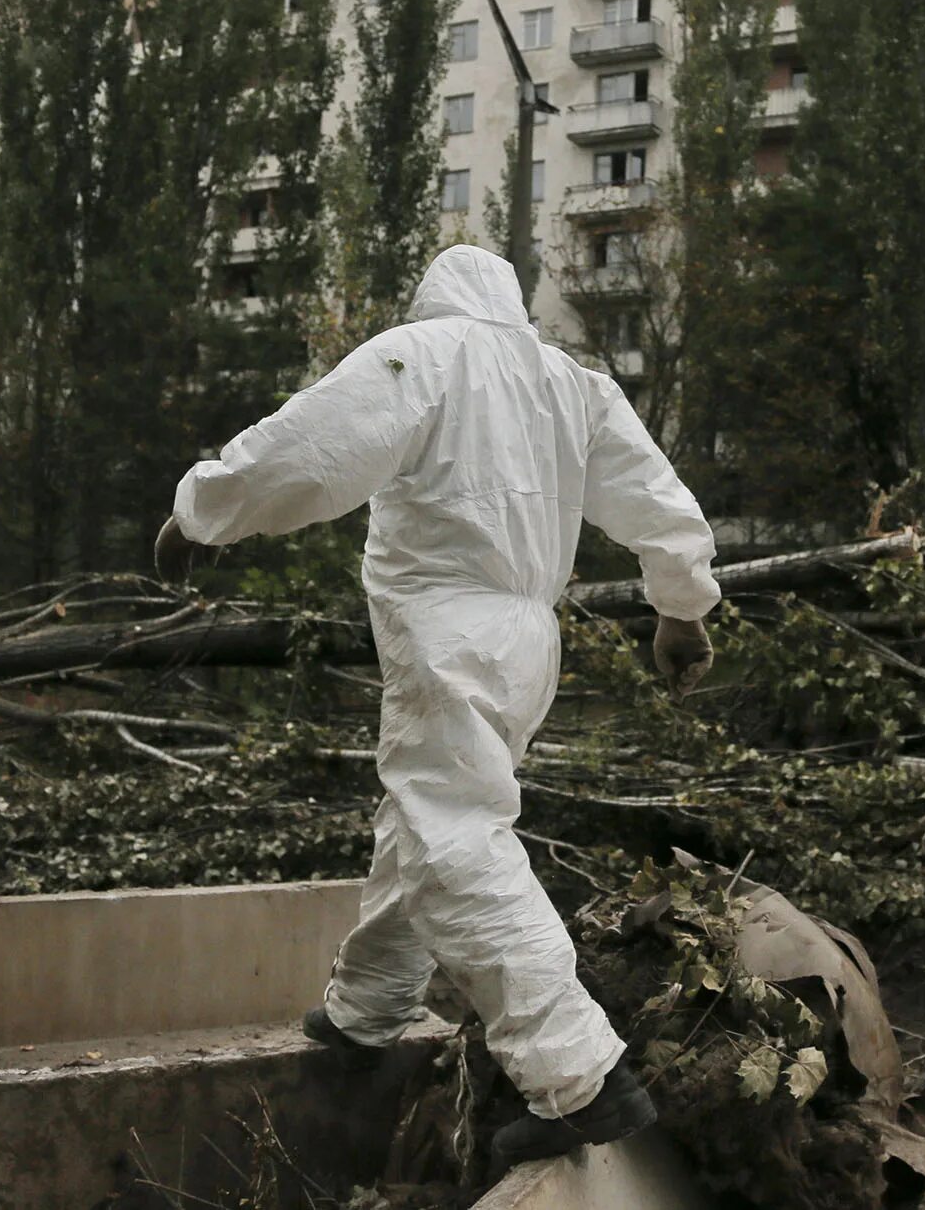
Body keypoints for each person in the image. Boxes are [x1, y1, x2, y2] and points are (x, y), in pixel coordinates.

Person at [156, 244, 717, 1169]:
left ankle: (581, 1075)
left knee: (455, 834)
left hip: (447, 629)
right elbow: (659, 502)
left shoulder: (422, 354)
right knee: (423, 820)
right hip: (531, 640)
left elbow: (310, 447)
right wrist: (683, 610)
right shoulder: (574, 386)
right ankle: (367, 1009)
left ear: (435, 299)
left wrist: (203, 512)